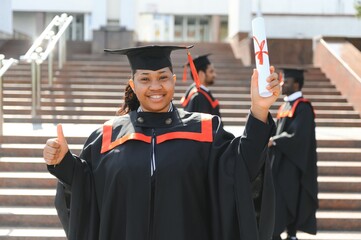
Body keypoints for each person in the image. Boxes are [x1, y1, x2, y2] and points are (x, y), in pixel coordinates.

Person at [43, 45, 282, 240]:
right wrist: (63, 162)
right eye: (145, 79)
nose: (155, 86)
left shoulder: (205, 130)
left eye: (163, 77)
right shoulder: (106, 137)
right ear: (133, 84)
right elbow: (84, 189)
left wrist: (259, 111)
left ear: (174, 80)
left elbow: (243, 167)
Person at [268, 68, 318, 240]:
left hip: (293, 166)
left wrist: (275, 140)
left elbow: (299, 137)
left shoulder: (303, 107)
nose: (282, 84)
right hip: (280, 164)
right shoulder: (285, 105)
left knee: (288, 199)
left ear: (296, 84)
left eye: (286, 82)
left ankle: (290, 233)